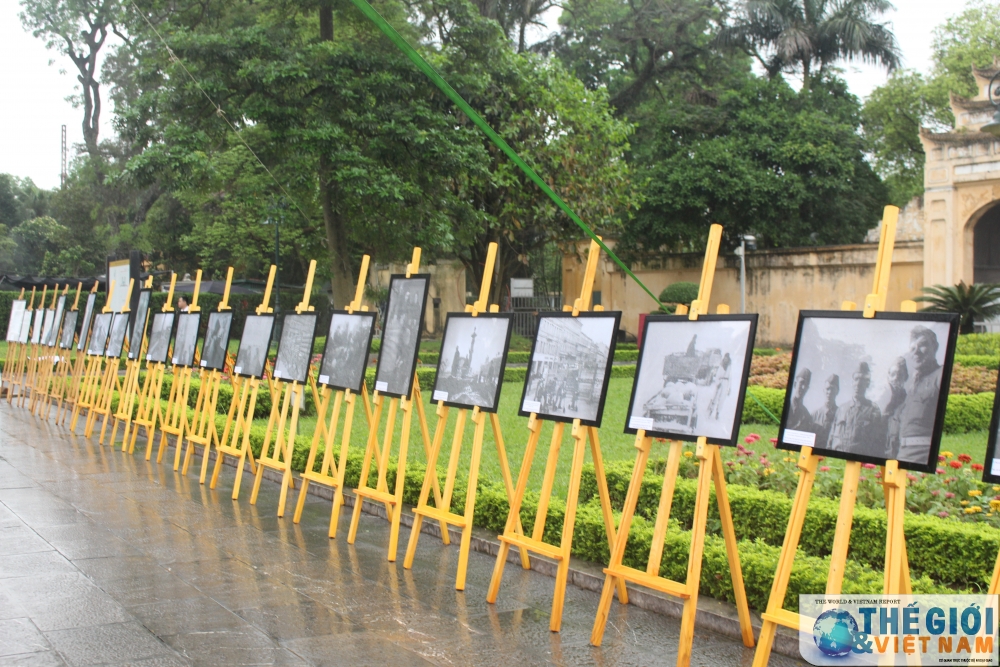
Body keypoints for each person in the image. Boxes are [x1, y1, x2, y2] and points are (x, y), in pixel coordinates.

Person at [896, 326, 941, 464]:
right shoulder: (912, 384)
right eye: (912, 348)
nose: (916, 352)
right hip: (903, 454)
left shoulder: (940, 375)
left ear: (935, 347)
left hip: (922, 456)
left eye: (922, 346)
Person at [828, 362, 883, 456]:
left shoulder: (873, 410)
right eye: (856, 379)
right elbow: (830, 440)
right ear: (852, 382)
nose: (858, 383)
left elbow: (877, 445)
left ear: (867, 384)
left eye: (862, 379)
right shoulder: (841, 409)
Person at [882, 357, 909, 459]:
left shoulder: (908, 403)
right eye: (893, 374)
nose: (896, 378)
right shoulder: (882, 401)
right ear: (888, 377)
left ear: (905, 377)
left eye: (900, 375)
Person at [810, 374, 840, 449]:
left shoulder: (841, 414)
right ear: (824, 390)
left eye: (832, 389)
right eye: (827, 389)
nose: (829, 392)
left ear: (837, 391)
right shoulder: (815, 414)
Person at [786, 368, 815, 432]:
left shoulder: (806, 415)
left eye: (806, 385)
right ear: (795, 384)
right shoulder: (787, 406)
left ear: (807, 389)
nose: (803, 387)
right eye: (802, 383)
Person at [706, 353, 732, 420]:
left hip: (725, 383)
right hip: (720, 382)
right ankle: (711, 411)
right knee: (715, 397)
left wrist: (729, 388)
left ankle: (718, 413)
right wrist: (717, 383)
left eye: (727, 358)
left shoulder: (729, 367)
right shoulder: (721, 365)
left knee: (722, 399)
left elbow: (730, 378)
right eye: (725, 358)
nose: (726, 359)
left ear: (728, 359)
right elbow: (717, 375)